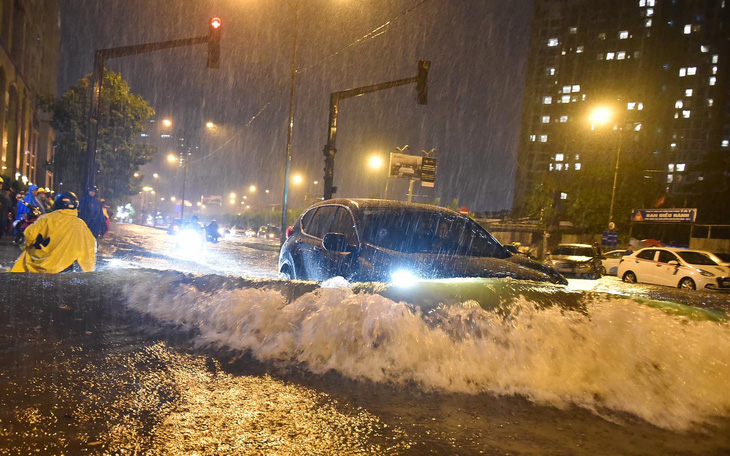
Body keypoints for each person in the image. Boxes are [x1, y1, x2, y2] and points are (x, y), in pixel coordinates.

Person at [11, 191, 97, 273]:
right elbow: (90, 245)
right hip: (65, 267)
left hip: (38, 267)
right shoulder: (80, 224)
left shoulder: (45, 218)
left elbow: (28, 237)